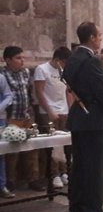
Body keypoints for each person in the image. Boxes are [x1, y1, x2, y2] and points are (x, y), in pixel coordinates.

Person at [63, 22, 103, 212]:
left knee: (80, 167)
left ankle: (78, 208)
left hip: (79, 117)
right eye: (99, 35)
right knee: (96, 169)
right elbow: (102, 91)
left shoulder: (72, 59)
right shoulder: (92, 61)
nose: (101, 39)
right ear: (92, 38)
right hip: (95, 119)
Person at [1, 46, 42, 191]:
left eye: (22, 57)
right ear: (7, 60)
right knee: (12, 150)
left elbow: (30, 92)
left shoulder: (25, 73)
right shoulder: (3, 75)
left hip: (26, 115)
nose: (22, 61)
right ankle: (10, 180)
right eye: (18, 58)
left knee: (32, 148)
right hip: (11, 117)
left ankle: (33, 178)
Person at [34, 46, 72, 189]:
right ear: (57, 60)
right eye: (63, 62)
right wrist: (49, 110)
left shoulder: (63, 71)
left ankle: (64, 171)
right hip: (48, 111)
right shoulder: (42, 69)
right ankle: (53, 173)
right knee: (52, 143)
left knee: (63, 143)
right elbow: (40, 92)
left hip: (63, 109)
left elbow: (67, 91)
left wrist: (69, 109)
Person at [0, 74, 15, 198]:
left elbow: (8, 95)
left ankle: (2, 186)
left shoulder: (1, 77)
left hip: (0, 118)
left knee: (1, 153)